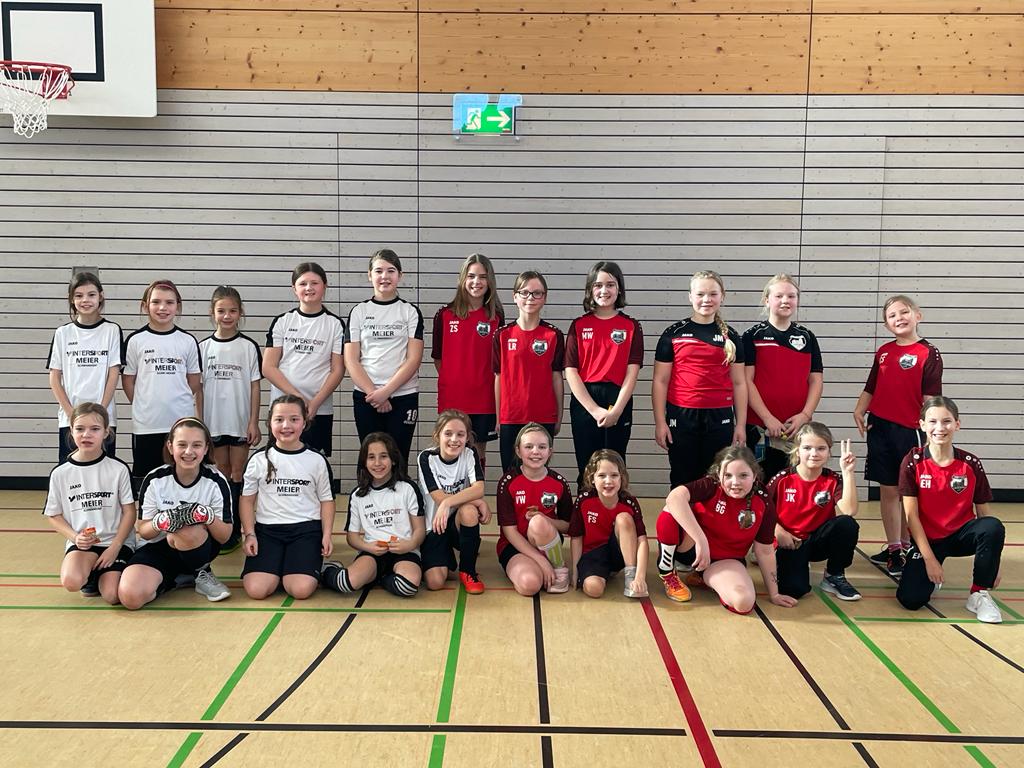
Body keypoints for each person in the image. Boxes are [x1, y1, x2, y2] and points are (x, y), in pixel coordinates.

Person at [853, 295, 942, 577]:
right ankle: (894, 548)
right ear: (886, 324)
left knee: (907, 492)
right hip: (879, 428)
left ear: (918, 315)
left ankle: (906, 545)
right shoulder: (884, 352)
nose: (899, 318)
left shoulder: (929, 353)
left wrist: (931, 430)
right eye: (892, 316)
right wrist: (860, 409)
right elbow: (872, 385)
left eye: (904, 312)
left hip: (909, 430)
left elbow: (931, 397)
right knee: (888, 489)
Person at [896, 397, 1004, 624]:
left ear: (957, 424)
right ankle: (923, 568)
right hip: (928, 540)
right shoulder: (913, 462)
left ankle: (978, 593)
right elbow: (911, 517)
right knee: (910, 600)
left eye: (946, 421)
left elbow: (984, 513)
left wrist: (993, 564)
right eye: (932, 421)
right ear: (922, 425)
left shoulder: (970, 463)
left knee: (993, 526)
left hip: (961, 536)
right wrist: (929, 559)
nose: (940, 428)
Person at [655, 445, 797, 612]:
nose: (735, 482)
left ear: (755, 476)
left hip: (723, 560)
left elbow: (765, 551)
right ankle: (667, 572)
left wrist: (774, 594)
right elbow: (674, 497)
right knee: (671, 510)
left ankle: (703, 577)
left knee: (743, 602)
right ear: (718, 474)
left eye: (743, 475)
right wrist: (701, 540)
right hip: (690, 548)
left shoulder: (763, 501)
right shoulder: (711, 485)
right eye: (728, 475)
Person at [118, 417, 234, 609]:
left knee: (184, 529)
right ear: (170, 447)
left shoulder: (216, 481)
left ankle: (200, 572)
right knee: (130, 597)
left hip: (197, 546)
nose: (189, 451)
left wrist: (207, 516)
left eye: (196, 445)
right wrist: (160, 521)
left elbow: (224, 536)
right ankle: (177, 578)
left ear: (206, 448)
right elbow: (144, 531)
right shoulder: (155, 479)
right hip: (158, 547)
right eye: (182, 445)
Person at [652, 270, 747, 488]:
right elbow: (660, 381)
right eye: (700, 294)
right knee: (682, 478)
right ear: (690, 296)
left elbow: (739, 383)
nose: (706, 299)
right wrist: (660, 422)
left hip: (720, 417)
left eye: (713, 294)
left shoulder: (732, 337)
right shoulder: (673, 333)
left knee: (716, 480)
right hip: (682, 416)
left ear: (722, 296)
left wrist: (740, 424)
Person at [239, 396, 335, 600]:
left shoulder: (317, 460)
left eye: (294, 419)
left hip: (306, 531)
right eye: (279, 419)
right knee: (257, 590)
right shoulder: (258, 460)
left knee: (300, 590)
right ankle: (281, 567)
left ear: (304, 423)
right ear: (269, 423)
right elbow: (246, 501)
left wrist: (326, 535)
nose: (286, 426)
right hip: (267, 532)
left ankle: (309, 566)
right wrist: (250, 534)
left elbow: (327, 501)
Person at [43, 403, 135, 603]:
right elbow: (54, 515)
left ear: (106, 432)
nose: (86, 435)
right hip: (84, 545)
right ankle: (92, 574)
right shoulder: (60, 473)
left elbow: (130, 512)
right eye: (80, 429)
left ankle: (105, 573)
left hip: (115, 542)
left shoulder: (118, 469)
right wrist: (75, 538)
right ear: (71, 431)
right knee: (71, 581)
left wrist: (115, 546)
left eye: (95, 429)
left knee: (112, 595)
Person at [564, 262, 643, 489]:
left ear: (619, 289)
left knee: (615, 461)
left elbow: (632, 371)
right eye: (598, 285)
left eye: (610, 284)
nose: (604, 290)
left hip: (618, 399)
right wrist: (594, 409)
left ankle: (616, 507)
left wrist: (616, 410)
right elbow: (571, 371)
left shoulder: (631, 326)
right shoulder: (579, 325)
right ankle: (585, 506)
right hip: (585, 401)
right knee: (586, 463)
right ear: (590, 289)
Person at [321, 433, 425, 598]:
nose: (377, 463)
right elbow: (352, 537)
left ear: (393, 459)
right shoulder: (358, 495)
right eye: (371, 457)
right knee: (346, 583)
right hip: (372, 553)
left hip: (405, 552)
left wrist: (410, 544)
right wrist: (368, 547)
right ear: (364, 462)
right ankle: (327, 570)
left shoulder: (407, 488)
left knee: (408, 586)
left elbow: (419, 529)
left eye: (383, 456)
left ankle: (379, 578)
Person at [345, 248, 424, 464]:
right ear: (369, 275)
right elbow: (351, 360)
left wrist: (386, 392)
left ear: (400, 275)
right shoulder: (359, 311)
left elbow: (414, 359)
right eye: (378, 271)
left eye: (391, 271)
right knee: (371, 459)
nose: (384, 276)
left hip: (403, 396)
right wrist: (375, 394)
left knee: (398, 458)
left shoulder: (410, 311)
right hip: (366, 397)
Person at [199, 285, 262, 552]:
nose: (227, 316)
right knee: (221, 472)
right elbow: (198, 389)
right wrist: (200, 423)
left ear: (240, 312)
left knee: (238, 473)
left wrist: (253, 421)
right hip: (213, 422)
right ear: (212, 313)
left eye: (232, 311)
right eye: (221, 311)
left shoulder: (248, 347)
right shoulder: (203, 347)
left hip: (238, 421)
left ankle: (237, 528)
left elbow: (255, 386)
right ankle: (222, 528)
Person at [742, 274, 823, 480]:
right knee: (760, 484)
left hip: (796, 428)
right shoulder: (752, 336)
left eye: (791, 296)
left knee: (793, 484)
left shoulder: (807, 337)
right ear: (766, 300)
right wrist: (767, 418)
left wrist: (805, 415)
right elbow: (746, 381)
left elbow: (815, 380)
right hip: (760, 427)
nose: (785, 300)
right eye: (779, 296)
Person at [122, 280, 202, 488]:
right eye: (156, 302)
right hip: (146, 425)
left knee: (180, 478)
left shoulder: (187, 340)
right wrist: (143, 403)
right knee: (147, 481)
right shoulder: (135, 340)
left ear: (178, 306)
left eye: (169, 302)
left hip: (180, 424)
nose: (162, 308)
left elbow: (194, 381)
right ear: (145, 305)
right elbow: (128, 380)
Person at [767, 423, 860, 601]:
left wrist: (848, 473)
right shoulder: (782, 479)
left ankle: (834, 575)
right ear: (797, 450)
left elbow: (850, 510)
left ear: (829, 452)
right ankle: (787, 565)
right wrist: (778, 531)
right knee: (794, 590)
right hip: (791, 542)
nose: (814, 453)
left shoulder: (833, 479)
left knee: (846, 524)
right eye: (807, 448)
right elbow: (762, 509)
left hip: (818, 541)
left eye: (821, 448)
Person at [432, 253, 504, 474]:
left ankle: (476, 492)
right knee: (451, 450)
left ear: (490, 281)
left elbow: (499, 364)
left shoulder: (496, 317)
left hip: (484, 399)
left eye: (482, 277)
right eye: (471, 276)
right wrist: (456, 379)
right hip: (453, 400)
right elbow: (438, 358)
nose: (476, 282)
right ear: (463, 279)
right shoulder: (444, 315)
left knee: (477, 452)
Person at [263, 262, 345, 456]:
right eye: (303, 283)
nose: (309, 288)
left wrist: (314, 403)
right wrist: (297, 398)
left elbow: (338, 370)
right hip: (284, 409)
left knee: (314, 460)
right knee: (279, 461)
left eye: (315, 283)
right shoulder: (282, 321)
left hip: (318, 410)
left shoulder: (335, 324)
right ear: (294, 288)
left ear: (325, 286)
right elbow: (268, 367)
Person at [47, 271, 122, 463]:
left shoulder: (112, 330)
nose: (85, 300)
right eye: (79, 295)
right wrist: (73, 415)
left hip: (104, 419)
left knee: (102, 471)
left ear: (101, 296)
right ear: (71, 299)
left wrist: (100, 414)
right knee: (70, 471)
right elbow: (54, 378)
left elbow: (114, 374)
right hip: (70, 420)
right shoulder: (63, 333)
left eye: (91, 294)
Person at [493, 271, 565, 472]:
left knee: (538, 473)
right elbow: (498, 377)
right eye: (524, 292)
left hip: (543, 416)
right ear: (515, 296)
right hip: (511, 417)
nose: (530, 298)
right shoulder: (502, 335)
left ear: (545, 297)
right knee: (510, 475)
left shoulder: (553, 335)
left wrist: (558, 417)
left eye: (537, 293)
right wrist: (499, 417)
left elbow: (557, 377)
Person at [418, 410, 491, 594]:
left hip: (456, 523)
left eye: (460, 434)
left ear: (467, 437)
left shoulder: (469, 453)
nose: (454, 439)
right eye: (448, 433)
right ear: (437, 435)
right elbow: (438, 497)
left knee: (469, 511)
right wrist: (477, 502)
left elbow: (479, 488)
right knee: (435, 583)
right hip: (435, 526)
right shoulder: (426, 458)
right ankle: (439, 559)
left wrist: (450, 503)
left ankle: (468, 571)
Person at [494, 423, 573, 596]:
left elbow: (568, 525)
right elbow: (509, 531)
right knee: (529, 585)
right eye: (528, 447)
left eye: (542, 447)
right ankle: (542, 566)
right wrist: (539, 560)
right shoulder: (507, 482)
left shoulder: (559, 482)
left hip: (545, 541)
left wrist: (545, 519)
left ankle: (558, 566)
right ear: (518, 451)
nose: (535, 452)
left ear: (550, 452)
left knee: (538, 522)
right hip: (514, 546)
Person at [569, 449, 648, 599]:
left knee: (624, 518)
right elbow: (576, 537)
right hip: (593, 555)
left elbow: (642, 541)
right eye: (602, 475)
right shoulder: (584, 500)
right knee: (594, 589)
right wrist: (576, 570)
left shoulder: (629, 502)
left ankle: (630, 576)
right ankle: (602, 575)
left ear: (621, 478)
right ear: (592, 478)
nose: (608, 481)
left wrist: (640, 577)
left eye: (614, 475)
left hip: (618, 553)